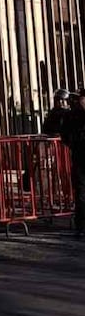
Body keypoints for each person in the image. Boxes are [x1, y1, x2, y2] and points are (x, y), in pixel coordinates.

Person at [59, 89, 85, 238]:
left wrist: (73, 144)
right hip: (79, 155)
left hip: (79, 155)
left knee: (81, 192)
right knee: (80, 192)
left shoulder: (71, 114)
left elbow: (65, 136)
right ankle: (81, 225)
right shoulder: (72, 115)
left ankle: (81, 226)